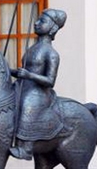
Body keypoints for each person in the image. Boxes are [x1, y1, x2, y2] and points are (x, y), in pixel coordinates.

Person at [9, 8, 67, 160]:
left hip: (38, 93)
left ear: (53, 28)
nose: (36, 23)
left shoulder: (51, 53)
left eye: (42, 21)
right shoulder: (32, 48)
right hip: (23, 86)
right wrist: (10, 71)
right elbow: (25, 70)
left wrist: (29, 75)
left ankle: (26, 147)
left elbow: (50, 81)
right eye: (38, 19)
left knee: (28, 103)